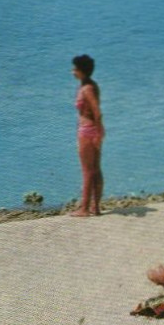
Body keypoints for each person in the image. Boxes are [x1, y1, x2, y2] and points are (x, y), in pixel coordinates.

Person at [71, 54, 104, 217]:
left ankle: (84, 208)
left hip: (87, 131)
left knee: (87, 170)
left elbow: (97, 112)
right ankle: (95, 207)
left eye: (75, 69)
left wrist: (99, 132)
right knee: (95, 169)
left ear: (82, 71)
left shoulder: (87, 89)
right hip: (92, 130)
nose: (72, 72)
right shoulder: (90, 85)